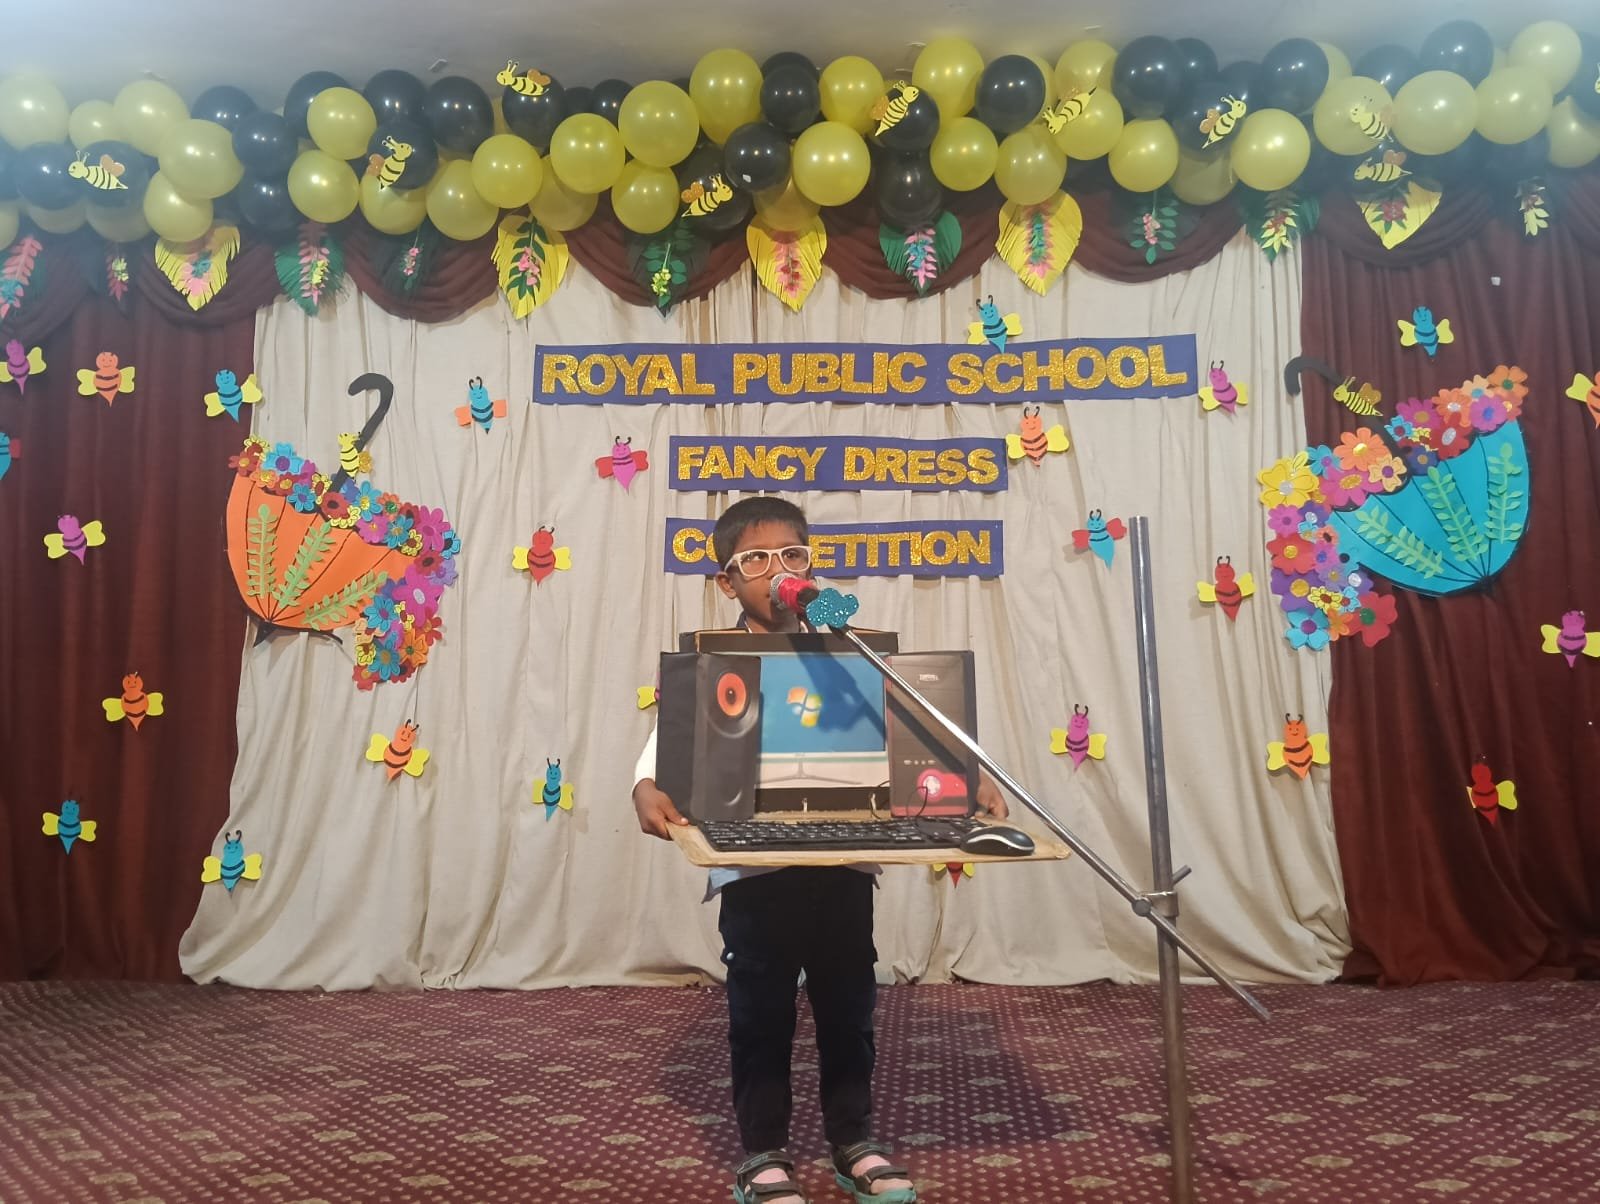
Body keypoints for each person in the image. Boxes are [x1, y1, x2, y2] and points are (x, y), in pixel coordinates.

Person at [632, 496, 1008, 1204]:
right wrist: (644, 785)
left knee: (848, 1006)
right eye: (757, 560)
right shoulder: (715, 660)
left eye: (793, 555)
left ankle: (854, 1139)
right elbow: (672, 742)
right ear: (727, 582)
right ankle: (763, 1153)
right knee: (761, 1012)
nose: (778, 569)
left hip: (842, 862)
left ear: (811, 566)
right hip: (757, 869)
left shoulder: (851, 649)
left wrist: (966, 775)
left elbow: (904, 725)